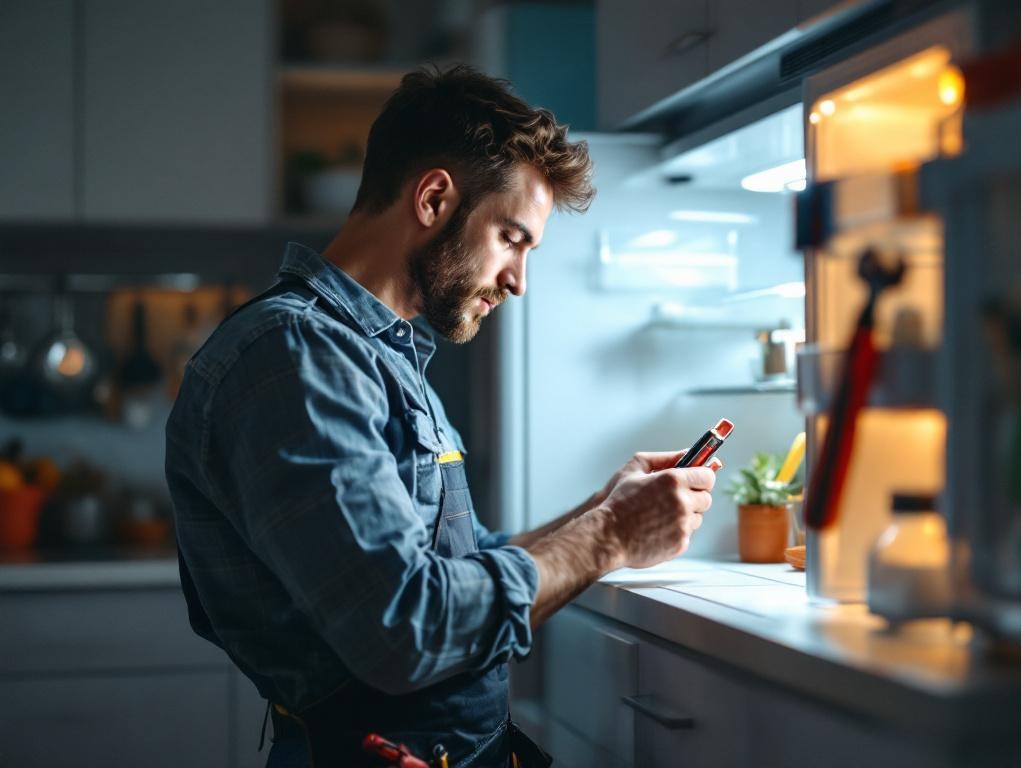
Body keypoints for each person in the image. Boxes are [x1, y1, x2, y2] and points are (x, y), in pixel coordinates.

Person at [166, 65, 715, 768]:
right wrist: (611, 535)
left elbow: (460, 567)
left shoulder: (381, 354)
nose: (519, 279)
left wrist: (603, 509)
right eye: (513, 239)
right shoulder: (294, 356)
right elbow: (407, 627)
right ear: (433, 198)